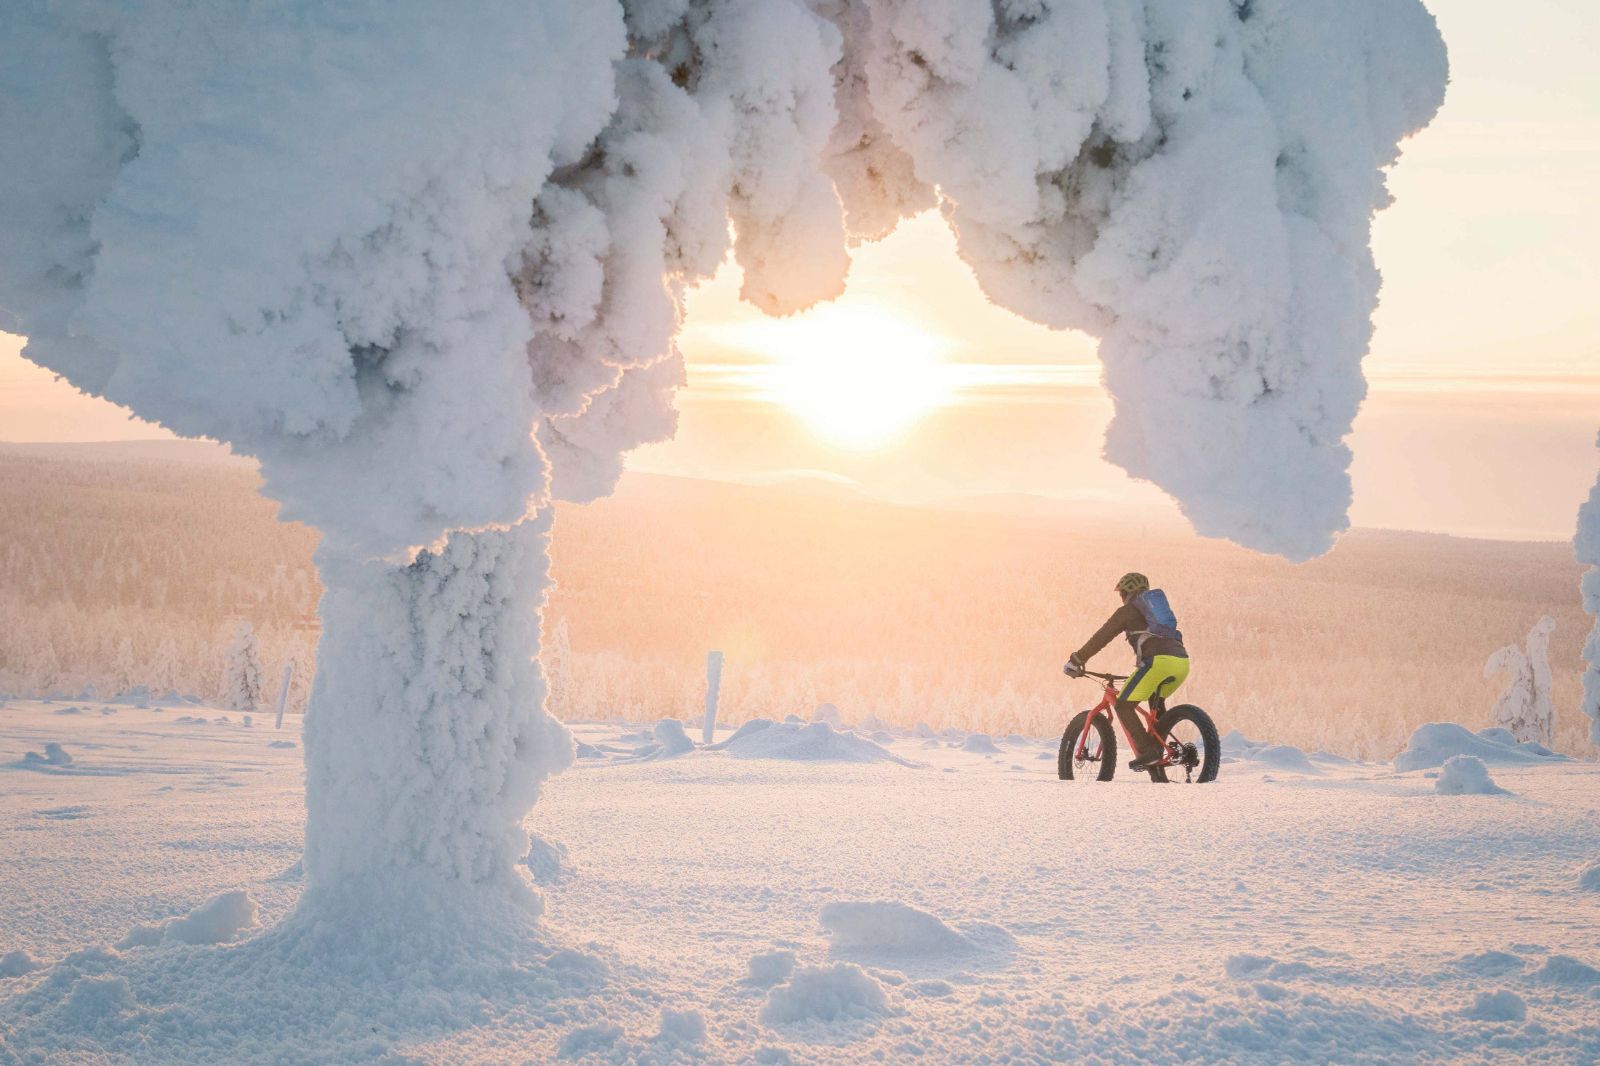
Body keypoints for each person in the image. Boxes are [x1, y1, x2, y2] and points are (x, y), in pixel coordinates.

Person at [1063, 572, 1189, 773]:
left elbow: (1101, 638)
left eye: (1121, 593)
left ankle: (1148, 752)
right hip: (1181, 662)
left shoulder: (1128, 611)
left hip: (1156, 663)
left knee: (1123, 705)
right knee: (1156, 703)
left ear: (1126, 591)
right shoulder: (1155, 613)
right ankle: (1163, 753)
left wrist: (1077, 660)